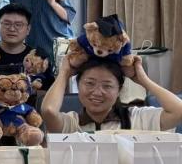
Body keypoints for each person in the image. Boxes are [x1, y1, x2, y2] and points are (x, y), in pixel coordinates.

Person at [41, 56, 182, 134]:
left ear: (119, 90)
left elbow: (178, 111)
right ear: (78, 85)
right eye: (89, 83)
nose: (97, 92)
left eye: (107, 86)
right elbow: (48, 111)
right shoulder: (71, 124)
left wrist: (142, 80)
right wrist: (64, 73)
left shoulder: (137, 118)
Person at [0, 4, 54, 91]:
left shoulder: (38, 57)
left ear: (28, 29)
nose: (12, 29)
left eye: (18, 25)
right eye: (6, 24)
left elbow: (50, 89)